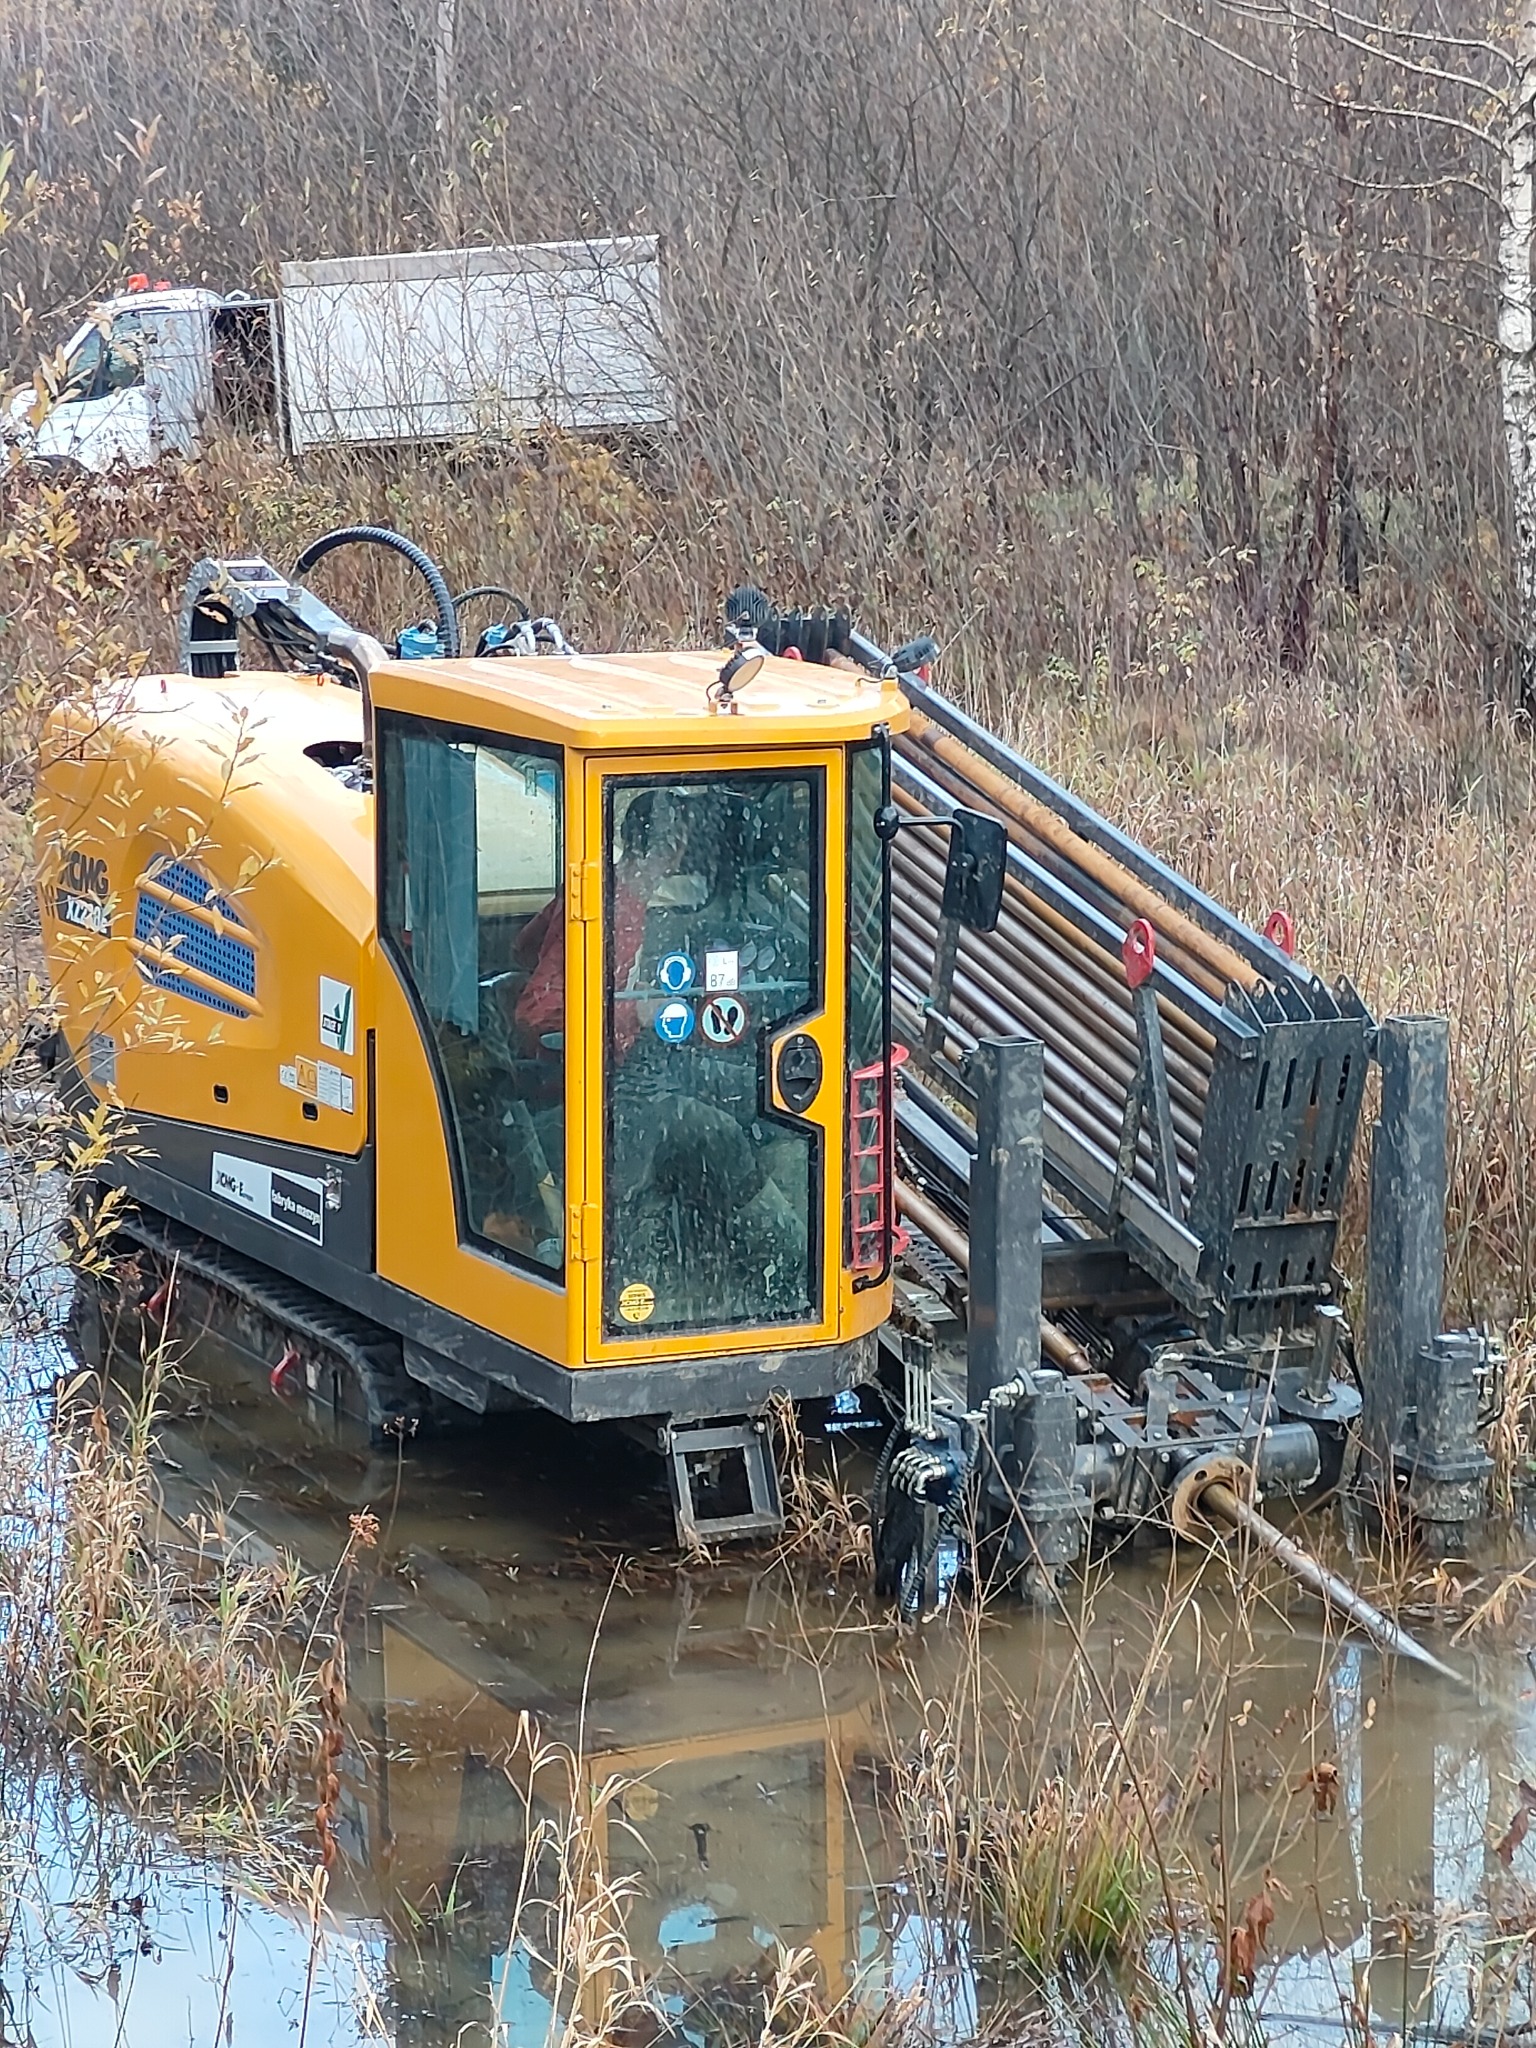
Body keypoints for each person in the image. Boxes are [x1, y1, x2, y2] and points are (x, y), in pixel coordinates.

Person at [509, 787, 689, 1056]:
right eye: (679, 845)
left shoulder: (596, 889)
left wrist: (627, 991)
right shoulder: (611, 912)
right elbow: (534, 1013)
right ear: (671, 851)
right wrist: (635, 1010)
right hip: (571, 1068)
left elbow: (523, 949)